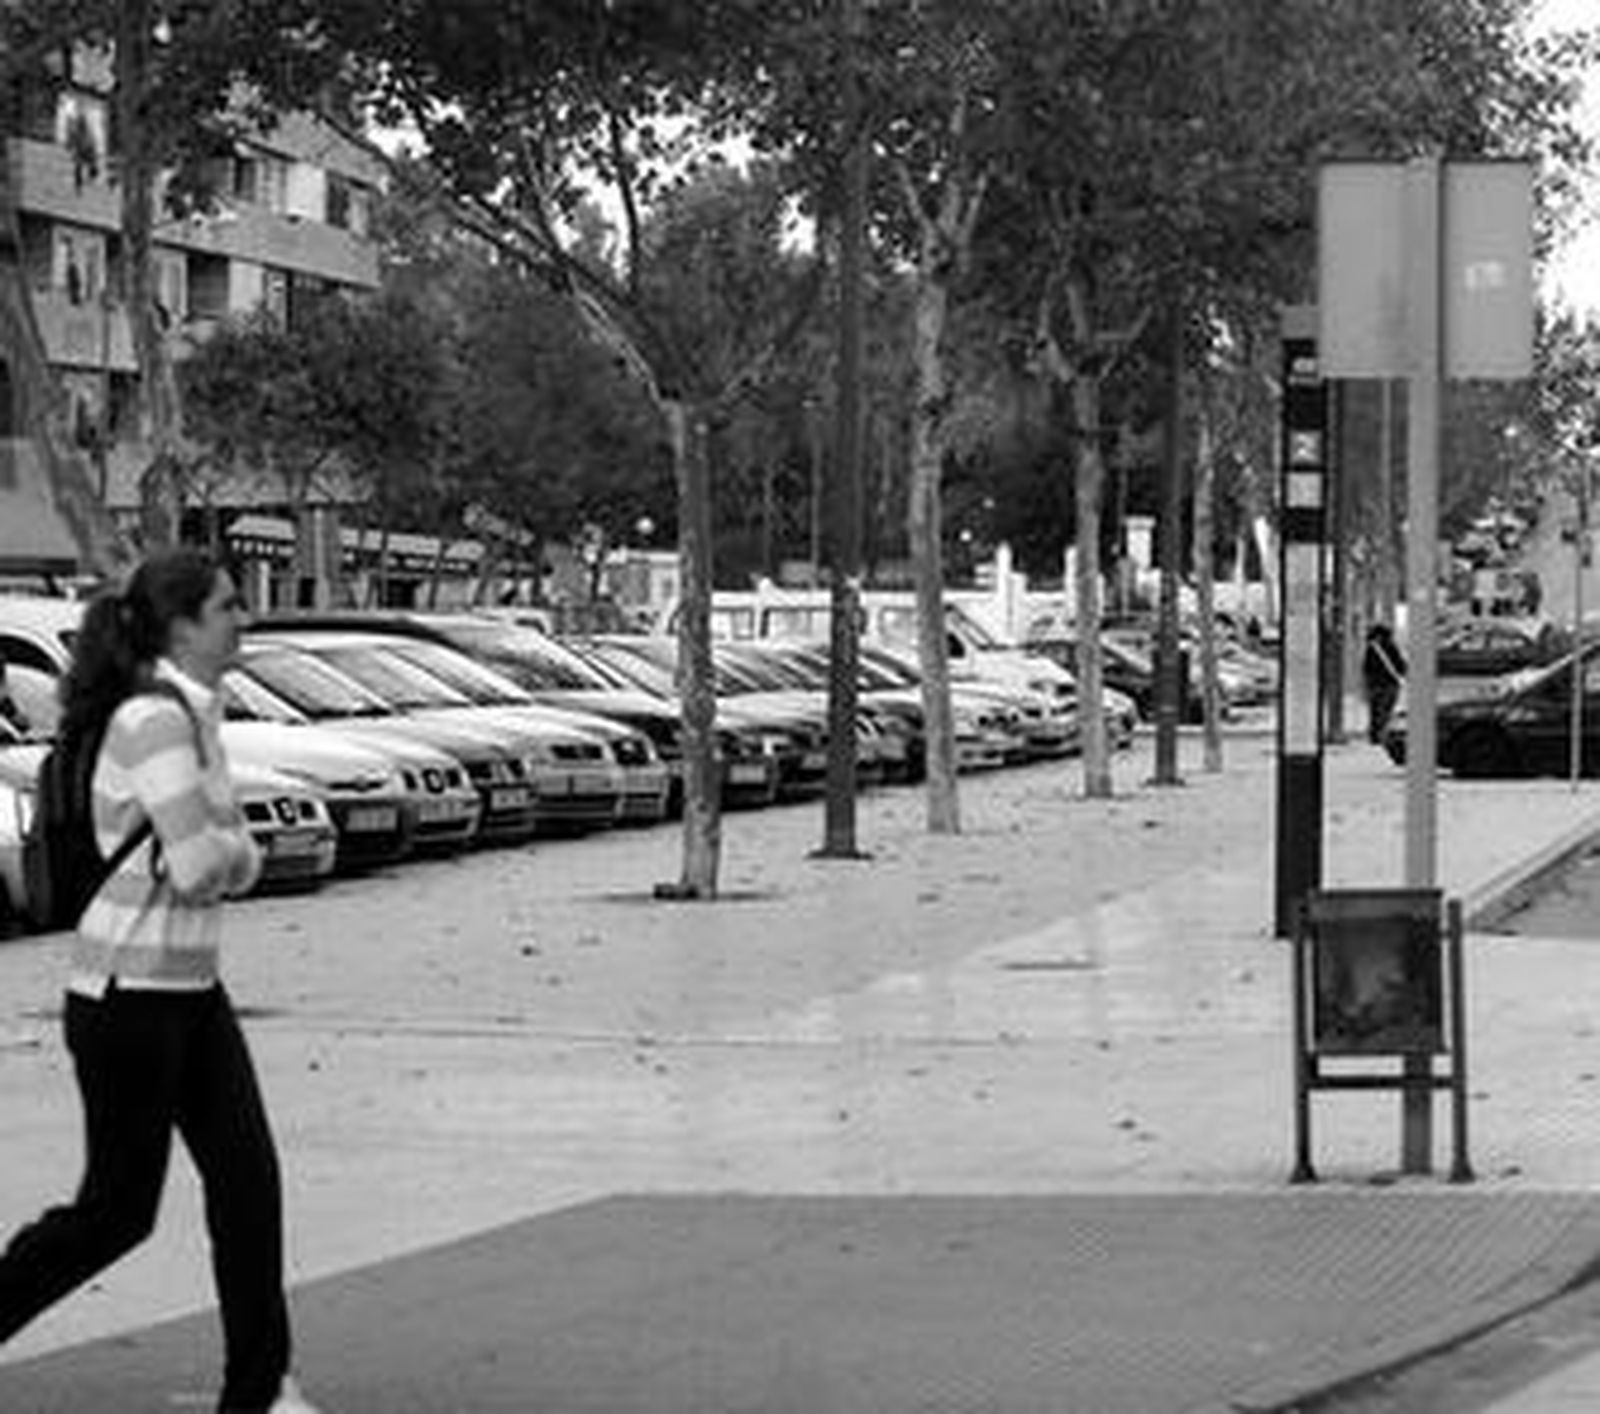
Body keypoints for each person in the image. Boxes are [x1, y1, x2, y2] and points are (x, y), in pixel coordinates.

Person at [0, 549, 323, 1414]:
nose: (242, 618)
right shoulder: (151, 720)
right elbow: (201, 860)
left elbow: (236, 855)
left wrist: (228, 850)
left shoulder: (197, 712)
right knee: (116, 1212)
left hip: (191, 993)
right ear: (182, 624)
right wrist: (228, 849)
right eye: (227, 606)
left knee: (248, 1185)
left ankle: (257, 1390)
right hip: (125, 1001)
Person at [1362, 622, 1407, 745]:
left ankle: (1374, 736)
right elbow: (1401, 665)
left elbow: (1366, 668)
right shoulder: (1390, 646)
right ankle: (1381, 736)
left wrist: (1368, 683)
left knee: (1375, 710)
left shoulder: (1371, 649)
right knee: (1385, 710)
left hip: (1374, 685)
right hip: (1389, 684)